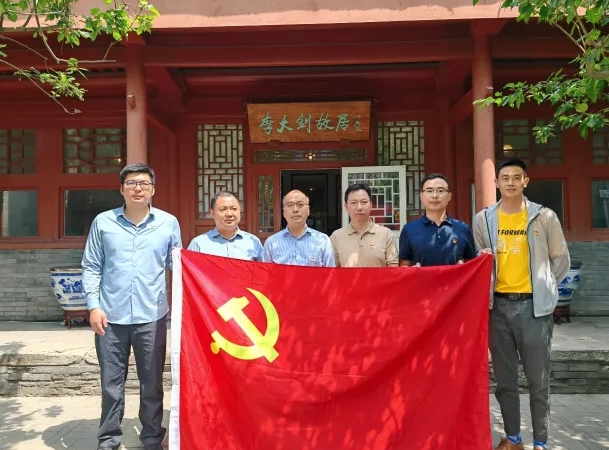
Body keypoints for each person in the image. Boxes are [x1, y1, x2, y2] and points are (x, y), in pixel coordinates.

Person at [82, 163, 182, 450]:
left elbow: (178, 265)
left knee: (152, 384)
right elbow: (91, 266)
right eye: (132, 183)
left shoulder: (168, 223)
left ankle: (151, 437)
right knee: (111, 385)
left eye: (144, 183)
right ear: (121, 189)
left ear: (153, 189)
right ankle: (109, 439)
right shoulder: (104, 222)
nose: (138, 188)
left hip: (152, 316)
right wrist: (93, 307)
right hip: (110, 317)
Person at [473, 158, 570, 450]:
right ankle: (513, 438)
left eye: (517, 177)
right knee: (505, 382)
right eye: (505, 177)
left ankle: (540, 442)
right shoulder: (483, 219)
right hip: (498, 309)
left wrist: (544, 290)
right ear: (496, 183)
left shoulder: (544, 217)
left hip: (533, 309)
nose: (511, 182)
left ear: (526, 181)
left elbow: (560, 260)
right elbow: (481, 261)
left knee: (538, 381)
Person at [399, 173, 477, 267]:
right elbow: (404, 264)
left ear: (449, 196)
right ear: (421, 196)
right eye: (429, 191)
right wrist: (412, 270)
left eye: (440, 191)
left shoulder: (463, 229)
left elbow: (473, 264)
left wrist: (464, 266)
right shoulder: (409, 229)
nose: (435, 195)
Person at [330, 183, 398, 267]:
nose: (359, 207)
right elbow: (332, 271)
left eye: (364, 202)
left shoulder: (386, 234)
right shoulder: (336, 237)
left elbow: (393, 270)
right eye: (354, 203)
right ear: (346, 206)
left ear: (371, 205)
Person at [263, 189, 335, 267]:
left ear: (308, 210)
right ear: (283, 212)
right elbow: (265, 273)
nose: (295, 210)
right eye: (290, 205)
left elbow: (330, 273)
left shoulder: (323, 241)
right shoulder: (271, 243)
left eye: (300, 204)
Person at [188, 190, 263, 261]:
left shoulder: (253, 242)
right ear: (212, 213)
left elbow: (263, 269)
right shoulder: (199, 244)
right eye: (223, 209)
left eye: (234, 209)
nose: (229, 214)